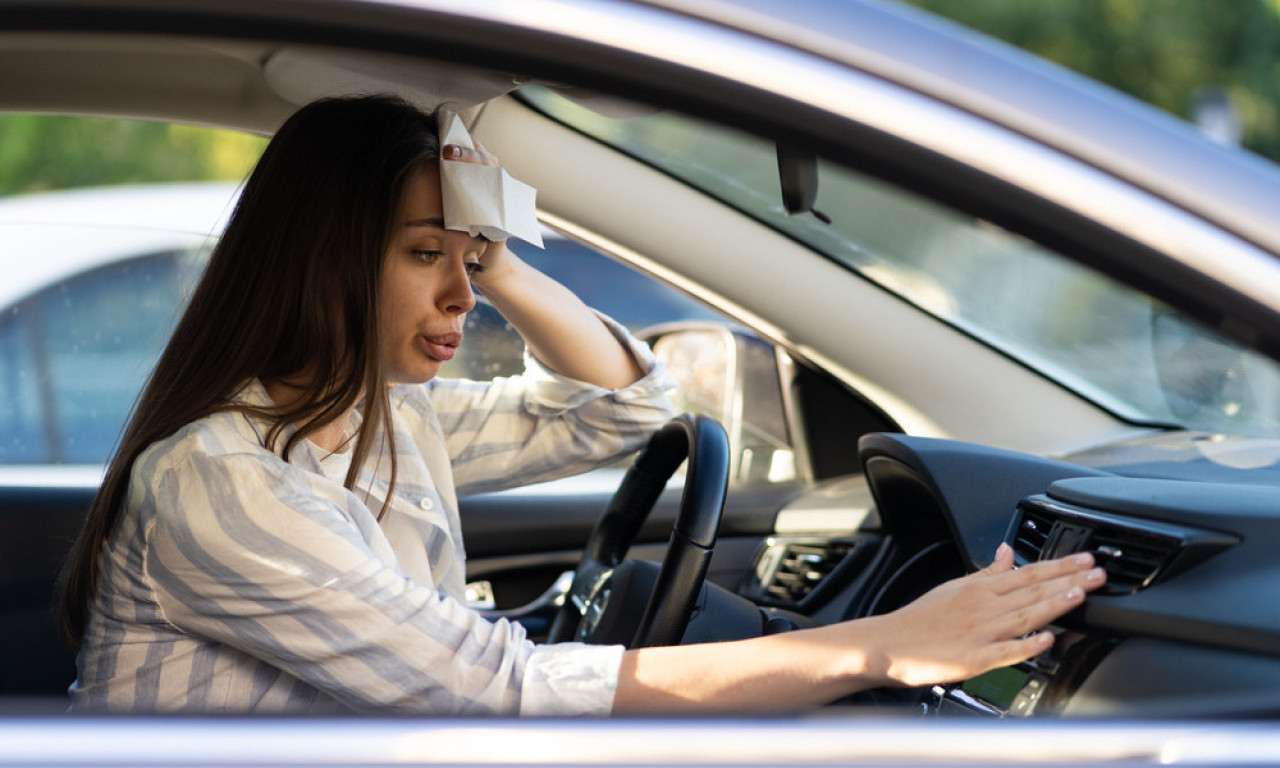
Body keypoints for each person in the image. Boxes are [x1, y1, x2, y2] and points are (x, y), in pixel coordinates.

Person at [60, 94, 1106, 716]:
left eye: (468, 260)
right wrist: (879, 647)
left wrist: (497, 254)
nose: (460, 296)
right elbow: (492, 692)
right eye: (426, 255)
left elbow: (617, 409)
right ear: (322, 263)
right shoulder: (223, 481)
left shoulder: (378, 420)